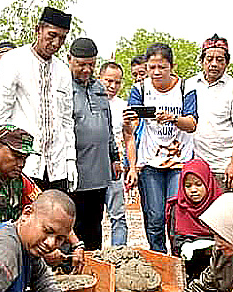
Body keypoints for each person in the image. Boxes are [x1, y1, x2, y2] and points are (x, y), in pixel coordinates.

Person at [123, 43, 198, 253]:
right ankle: (159, 258)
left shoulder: (185, 88)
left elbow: (191, 125)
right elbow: (131, 133)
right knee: (154, 217)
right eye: (152, 67)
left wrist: (173, 118)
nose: (156, 72)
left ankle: (179, 258)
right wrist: (132, 165)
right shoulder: (139, 90)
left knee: (175, 216)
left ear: (172, 66)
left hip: (179, 162)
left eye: (162, 67)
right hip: (150, 162)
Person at [0, 6, 77, 193]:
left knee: (56, 219)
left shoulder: (63, 70)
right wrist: (5, 158)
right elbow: (0, 116)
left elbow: (66, 120)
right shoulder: (13, 60)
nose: (56, 43)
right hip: (24, 164)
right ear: (38, 30)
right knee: (24, 218)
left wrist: (70, 159)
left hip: (56, 165)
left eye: (62, 38)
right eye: (52, 35)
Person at [68, 38, 119, 250]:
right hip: (74, 172)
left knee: (95, 225)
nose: (87, 69)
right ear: (69, 59)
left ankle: (94, 268)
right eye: (81, 64)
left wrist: (114, 157)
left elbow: (107, 126)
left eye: (91, 64)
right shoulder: (61, 87)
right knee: (72, 226)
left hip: (99, 171)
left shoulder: (99, 88)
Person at [189, 34, 233, 191]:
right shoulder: (189, 85)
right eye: (209, 59)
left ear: (227, 63)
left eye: (219, 59)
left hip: (223, 166)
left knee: (225, 213)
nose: (214, 64)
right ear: (202, 61)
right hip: (194, 165)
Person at [165, 158, 223, 281]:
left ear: (207, 183)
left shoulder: (220, 204)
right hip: (190, 267)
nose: (193, 190)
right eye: (188, 186)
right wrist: (187, 246)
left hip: (219, 264)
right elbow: (175, 240)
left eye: (198, 184)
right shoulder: (178, 208)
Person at [99, 61, 129, 246]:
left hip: (115, 167)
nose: (112, 86)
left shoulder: (123, 106)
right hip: (91, 165)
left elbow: (129, 137)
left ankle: (119, 255)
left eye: (117, 82)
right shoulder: (89, 100)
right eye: (108, 81)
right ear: (99, 78)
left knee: (117, 215)